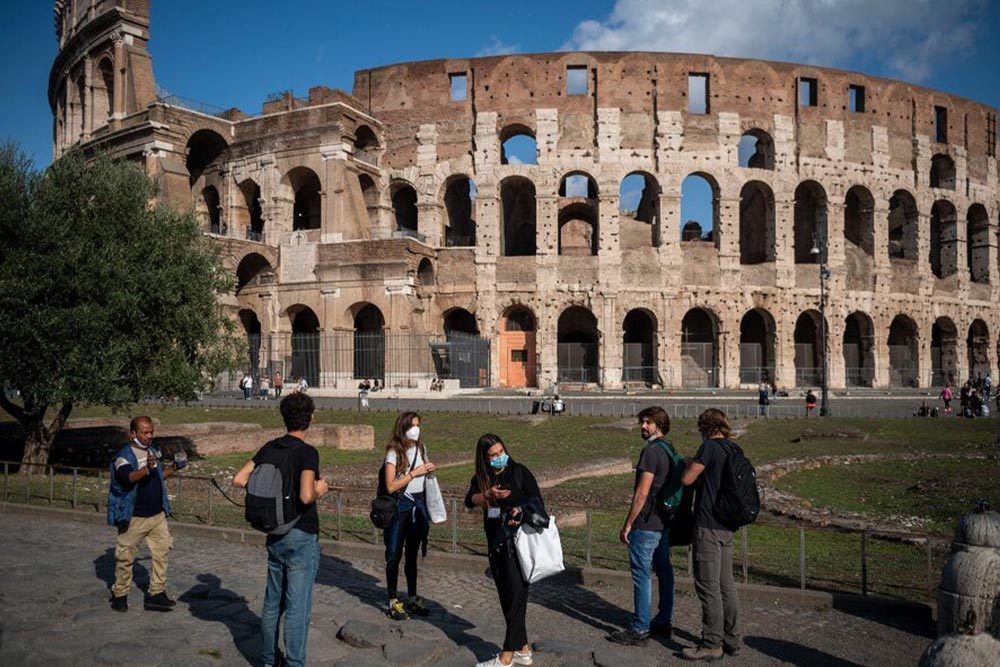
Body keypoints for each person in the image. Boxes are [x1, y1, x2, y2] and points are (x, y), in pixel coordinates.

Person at [232, 392, 328, 667]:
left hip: (274, 532)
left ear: (285, 417)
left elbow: (239, 479)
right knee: (298, 606)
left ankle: (269, 659)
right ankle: (295, 663)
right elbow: (306, 495)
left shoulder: (269, 447)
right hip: (301, 533)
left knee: (272, 603)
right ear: (310, 418)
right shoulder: (307, 452)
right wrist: (320, 489)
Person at [465, 434, 541, 667]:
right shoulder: (482, 479)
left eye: (501, 452)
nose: (499, 457)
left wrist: (520, 510)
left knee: (517, 596)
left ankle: (506, 656)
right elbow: (469, 500)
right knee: (506, 596)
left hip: (519, 543)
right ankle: (523, 649)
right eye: (493, 455)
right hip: (496, 543)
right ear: (485, 459)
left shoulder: (519, 472)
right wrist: (487, 495)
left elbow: (537, 501)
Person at [606, 406, 675, 646]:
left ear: (659, 425)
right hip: (663, 522)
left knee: (641, 576)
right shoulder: (669, 449)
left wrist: (628, 524)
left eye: (648, 422)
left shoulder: (651, 452)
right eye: (642, 422)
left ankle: (640, 628)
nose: (643, 426)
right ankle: (664, 621)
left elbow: (641, 493)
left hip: (646, 523)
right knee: (664, 572)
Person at [107, 416, 187, 612]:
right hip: (134, 517)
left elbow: (158, 475)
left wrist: (174, 467)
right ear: (133, 433)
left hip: (157, 515)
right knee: (125, 557)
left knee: (162, 553)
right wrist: (146, 469)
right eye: (145, 432)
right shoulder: (124, 456)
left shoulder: (153, 450)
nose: (149, 436)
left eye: (151, 432)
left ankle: (156, 593)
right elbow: (127, 478)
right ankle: (120, 594)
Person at [679, 409, 741, 660]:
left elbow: (687, 479)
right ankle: (732, 639)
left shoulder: (709, 448)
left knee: (708, 586)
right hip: (728, 524)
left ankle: (711, 643)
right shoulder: (734, 449)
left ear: (705, 428)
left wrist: (689, 463)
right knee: (727, 585)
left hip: (708, 524)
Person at [382, 412, 436, 620]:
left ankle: (412, 597)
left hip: (418, 504)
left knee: (412, 554)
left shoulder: (422, 448)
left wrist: (428, 470)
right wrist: (414, 473)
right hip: (400, 505)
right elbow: (390, 486)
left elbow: (423, 473)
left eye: (418, 425)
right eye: (412, 425)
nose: (416, 429)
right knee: (394, 553)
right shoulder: (394, 452)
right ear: (403, 428)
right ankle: (392, 600)